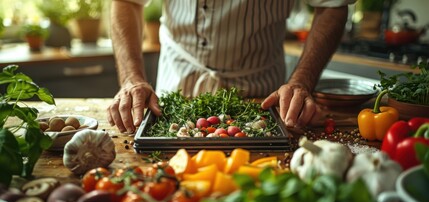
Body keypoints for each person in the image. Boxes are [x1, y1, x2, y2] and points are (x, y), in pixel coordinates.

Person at [107, 0, 355, 134]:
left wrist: (301, 81)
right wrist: (131, 77)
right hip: (171, 95)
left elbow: (332, 6)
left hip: (262, 99)